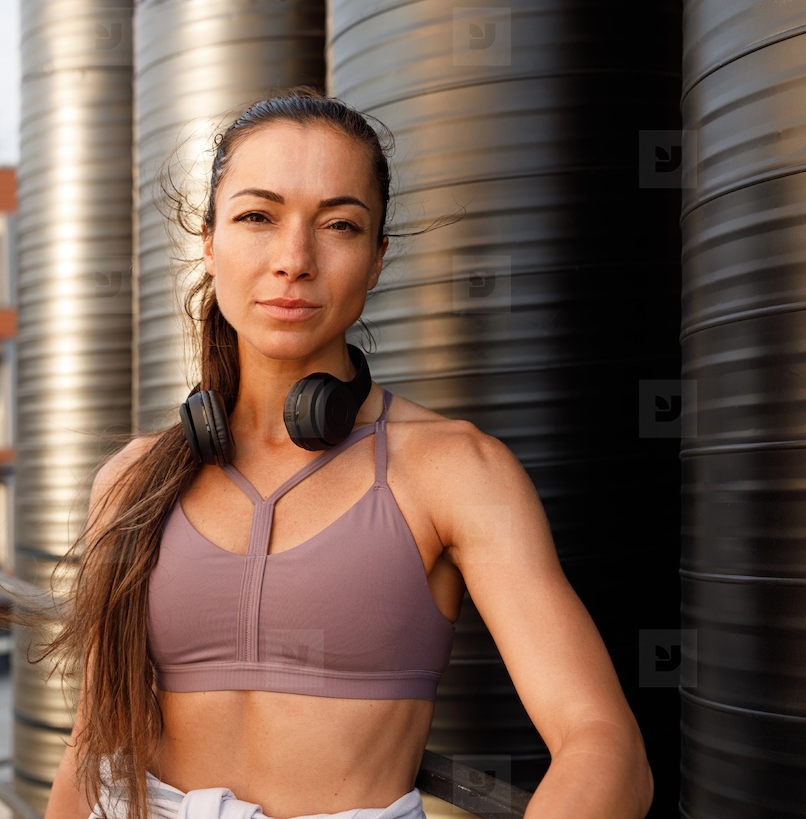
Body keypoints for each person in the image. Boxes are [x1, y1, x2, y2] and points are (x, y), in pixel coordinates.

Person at [39, 87, 653, 819]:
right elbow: (91, 743)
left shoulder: (457, 470)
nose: (293, 260)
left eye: (339, 225)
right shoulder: (133, 480)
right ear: (208, 239)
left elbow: (604, 745)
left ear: (376, 257)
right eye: (258, 217)